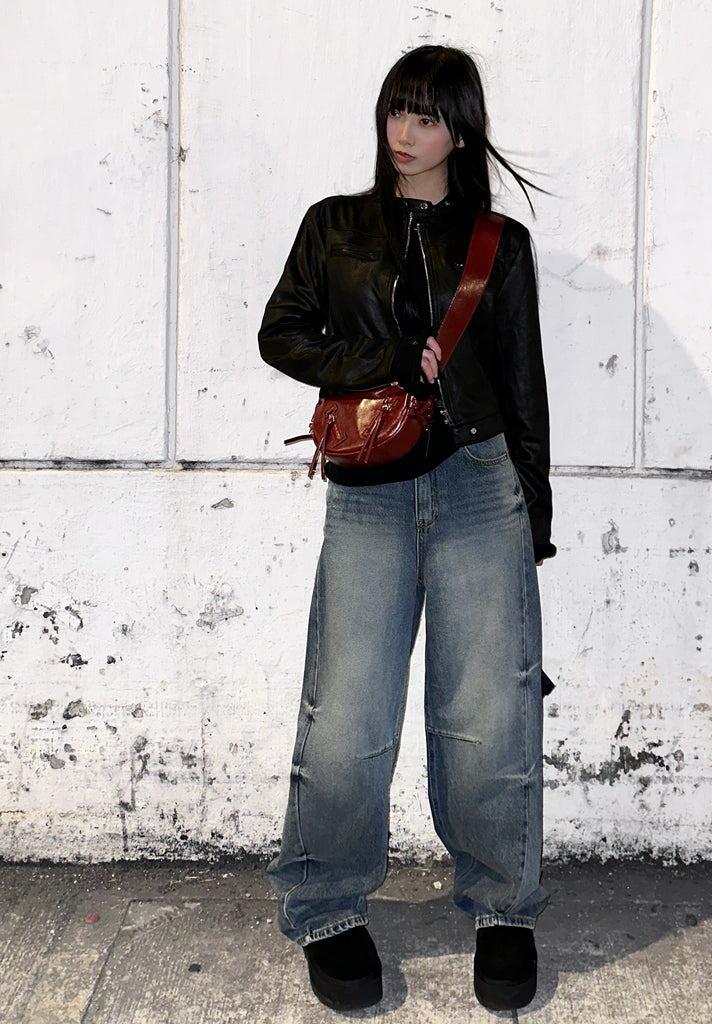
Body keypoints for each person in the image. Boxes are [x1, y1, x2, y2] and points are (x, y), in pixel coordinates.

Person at [258, 44, 556, 1013]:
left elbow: (522, 385)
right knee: (345, 714)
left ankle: (502, 906)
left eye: (427, 116)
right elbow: (281, 333)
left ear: (460, 132)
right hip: (370, 489)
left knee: (489, 715)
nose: (406, 131)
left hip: (479, 484)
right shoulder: (334, 224)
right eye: (397, 110)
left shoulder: (499, 243)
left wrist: (533, 520)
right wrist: (384, 355)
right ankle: (325, 905)